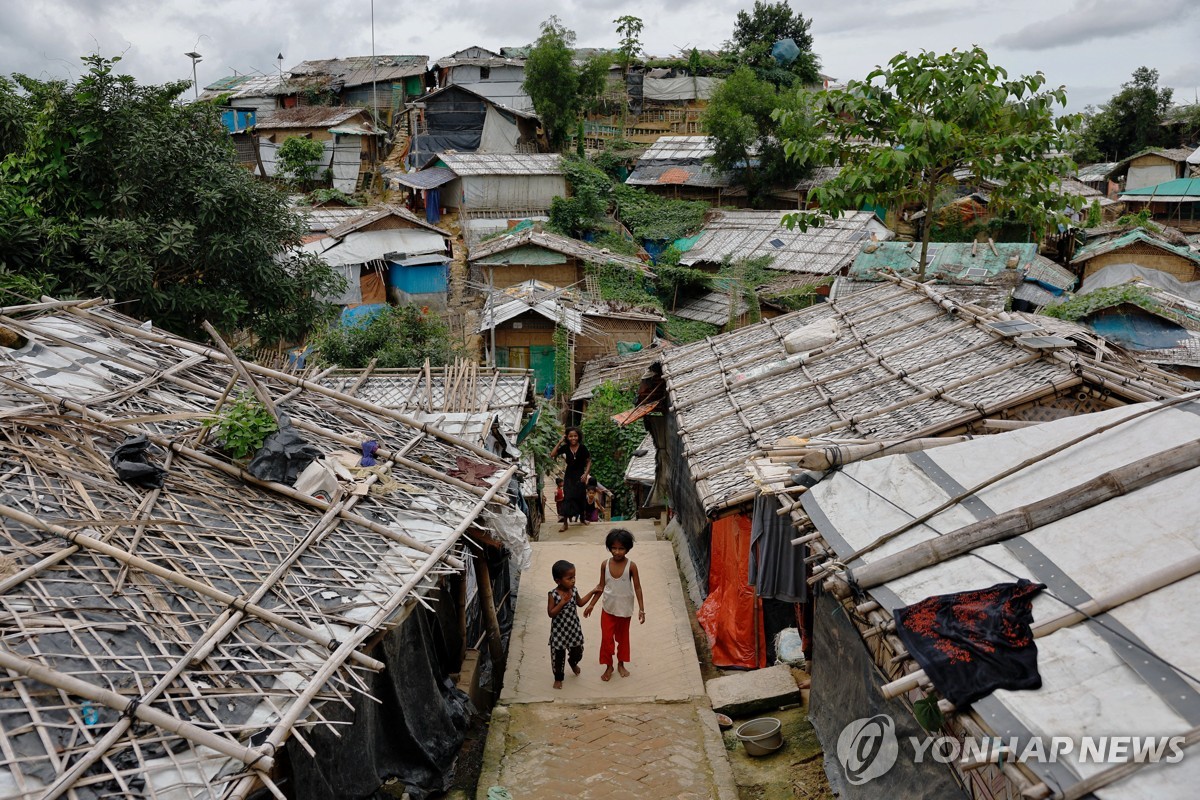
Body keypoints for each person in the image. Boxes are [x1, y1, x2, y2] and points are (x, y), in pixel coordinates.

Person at [584, 528, 645, 681]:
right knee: (606, 639)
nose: (617, 552)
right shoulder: (605, 564)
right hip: (608, 609)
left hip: (625, 610)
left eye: (621, 548)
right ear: (609, 547)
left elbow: (637, 587)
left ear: (627, 549)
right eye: (614, 548)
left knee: (623, 639)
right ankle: (608, 665)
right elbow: (600, 586)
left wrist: (641, 609)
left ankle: (621, 663)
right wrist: (591, 604)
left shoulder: (631, 566)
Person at [547, 559, 597, 689]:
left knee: (578, 651)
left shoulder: (573, 590)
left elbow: (580, 603)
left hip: (573, 628)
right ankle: (558, 678)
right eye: (569, 578)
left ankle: (572, 661)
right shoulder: (553, 595)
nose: (573, 580)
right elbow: (551, 613)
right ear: (558, 581)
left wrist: (592, 592)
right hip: (559, 631)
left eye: (574, 577)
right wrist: (562, 602)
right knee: (558, 656)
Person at [550, 427, 590, 532]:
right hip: (569, 476)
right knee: (567, 497)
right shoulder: (566, 447)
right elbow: (552, 454)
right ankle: (565, 523)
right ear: (567, 437)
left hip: (580, 475)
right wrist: (560, 442)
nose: (573, 438)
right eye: (571, 436)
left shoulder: (582, 448)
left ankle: (582, 519)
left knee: (581, 496)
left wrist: (586, 474)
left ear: (579, 436)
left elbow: (589, 461)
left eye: (575, 436)